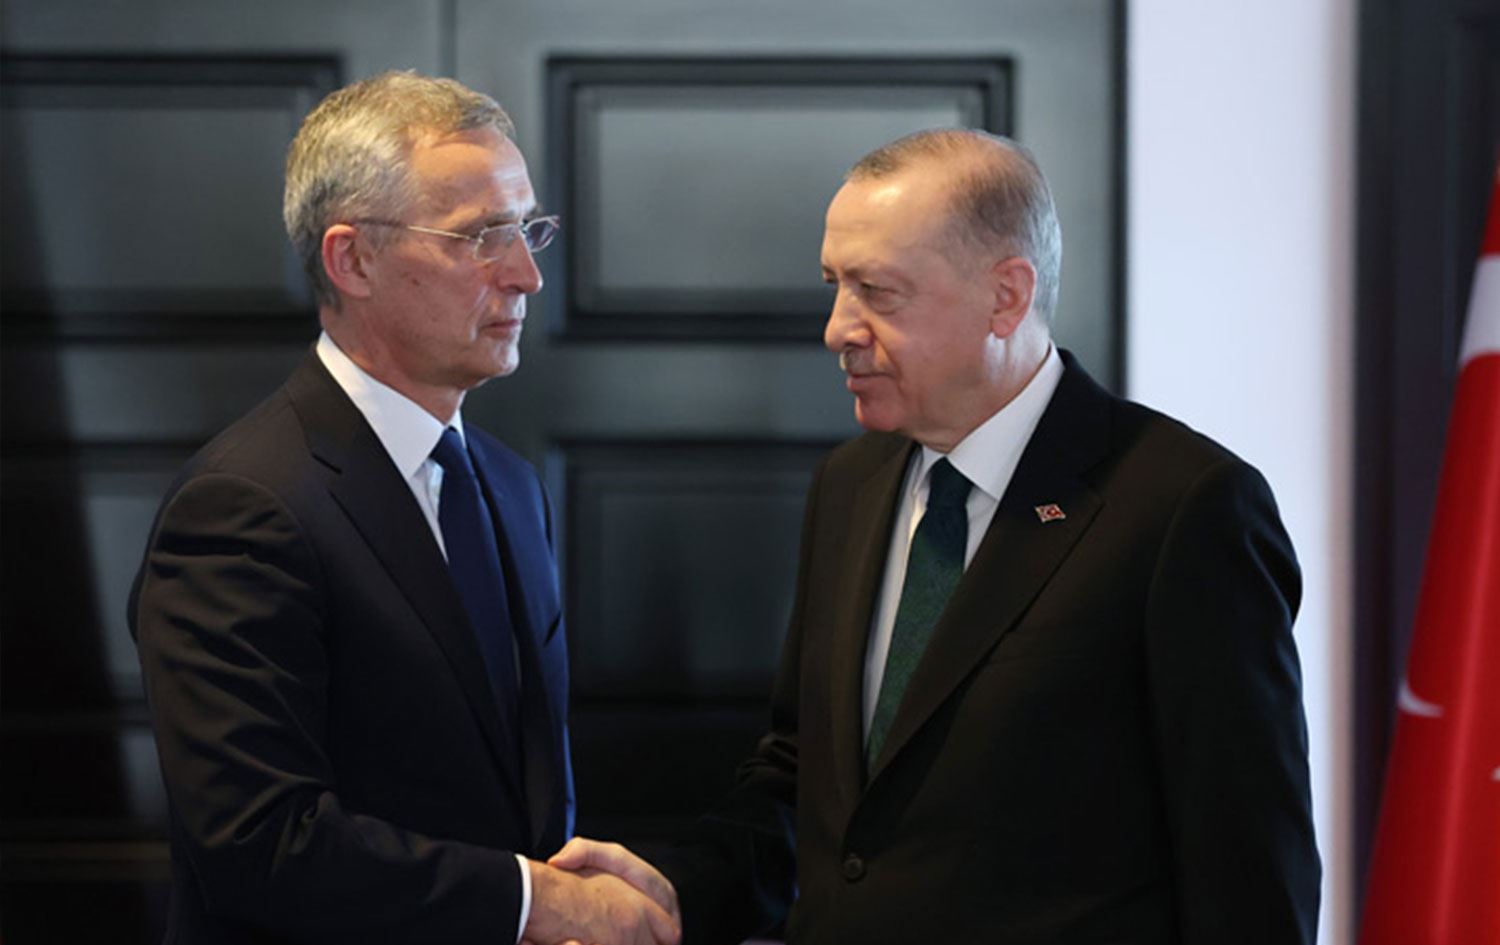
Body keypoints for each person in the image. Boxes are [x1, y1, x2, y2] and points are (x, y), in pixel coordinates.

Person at [553, 129, 1321, 943]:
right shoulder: (850, 483)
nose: (837, 329)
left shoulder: (1184, 508)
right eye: (835, 286)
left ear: (1006, 297)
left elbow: (1248, 875)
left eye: (878, 292)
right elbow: (805, 778)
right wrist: (675, 894)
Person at [129, 71, 678, 945]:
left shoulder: (509, 483)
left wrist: (568, 887)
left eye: (529, 229)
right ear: (353, 259)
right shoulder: (241, 506)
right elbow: (260, 843)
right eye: (483, 236)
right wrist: (540, 902)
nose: (528, 274)